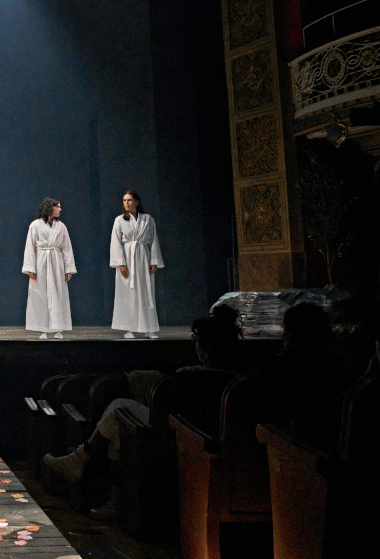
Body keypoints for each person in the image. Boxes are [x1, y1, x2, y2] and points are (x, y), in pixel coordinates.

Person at [42, 311, 244, 519]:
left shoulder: (189, 376)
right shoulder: (238, 380)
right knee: (124, 414)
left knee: (119, 411)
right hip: (196, 440)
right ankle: (86, 466)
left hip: (175, 439)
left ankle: (86, 466)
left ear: (205, 347)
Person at [109, 189, 163, 338]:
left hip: (143, 257)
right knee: (127, 293)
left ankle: (149, 328)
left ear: (137, 202)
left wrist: (154, 261)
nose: (126, 203)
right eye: (124, 200)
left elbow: (153, 241)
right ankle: (128, 328)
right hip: (127, 257)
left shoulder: (147, 219)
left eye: (129, 200)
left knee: (146, 292)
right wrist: (121, 263)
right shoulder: (119, 220)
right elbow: (116, 243)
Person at [23, 197, 76, 339]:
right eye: (57, 207)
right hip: (41, 262)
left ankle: (59, 328)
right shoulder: (35, 225)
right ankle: (43, 329)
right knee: (41, 294)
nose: (60, 209)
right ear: (49, 208)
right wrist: (30, 267)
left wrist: (68, 269)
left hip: (56, 263)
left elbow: (67, 248)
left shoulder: (61, 227)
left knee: (58, 293)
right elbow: (30, 247)